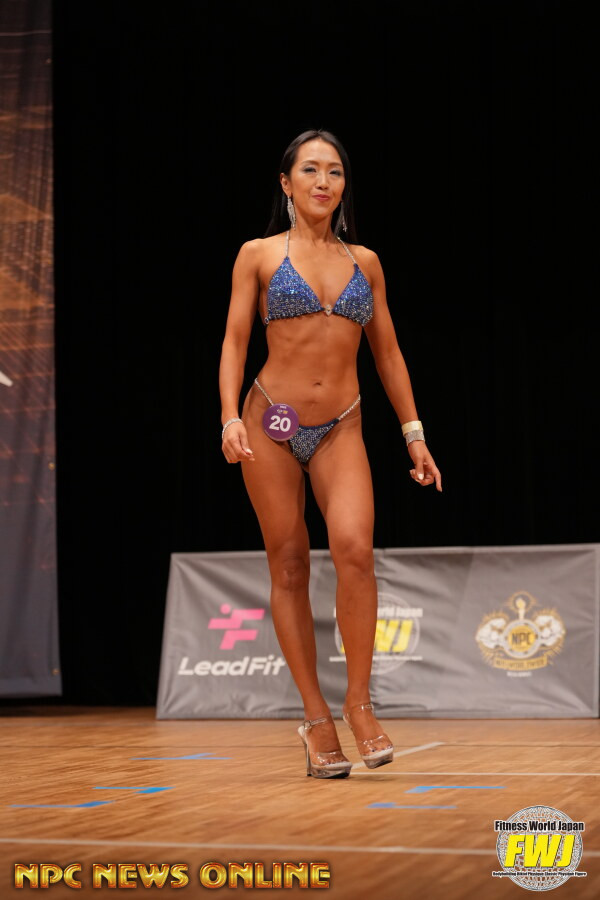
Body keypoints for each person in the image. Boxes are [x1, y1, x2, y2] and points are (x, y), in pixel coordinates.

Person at [219, 128, 442, 779]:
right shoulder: (258, 254)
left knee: (354, 551)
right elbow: (235, 341)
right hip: (270, 423)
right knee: (289, 564)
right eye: (310, 170)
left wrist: (413, 432)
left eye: (335, 171)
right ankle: (316, 718)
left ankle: (359, 703)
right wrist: (229, 416)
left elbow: (388, 353)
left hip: (342, 425)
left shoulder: (364, 262)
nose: (323, 181)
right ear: (285, 183)